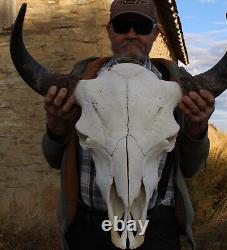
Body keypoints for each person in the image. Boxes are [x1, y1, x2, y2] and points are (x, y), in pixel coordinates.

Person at [42, 0, 215, 249]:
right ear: (109, 30)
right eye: (122, 26)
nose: (131, 34)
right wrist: (56, 127)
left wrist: (197, 130)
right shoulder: (80, 82)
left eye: (142, 26)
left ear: (155, 33)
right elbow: (53, 158)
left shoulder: (178, 89)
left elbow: (190, 168)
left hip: (157, 225)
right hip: (88, 226)